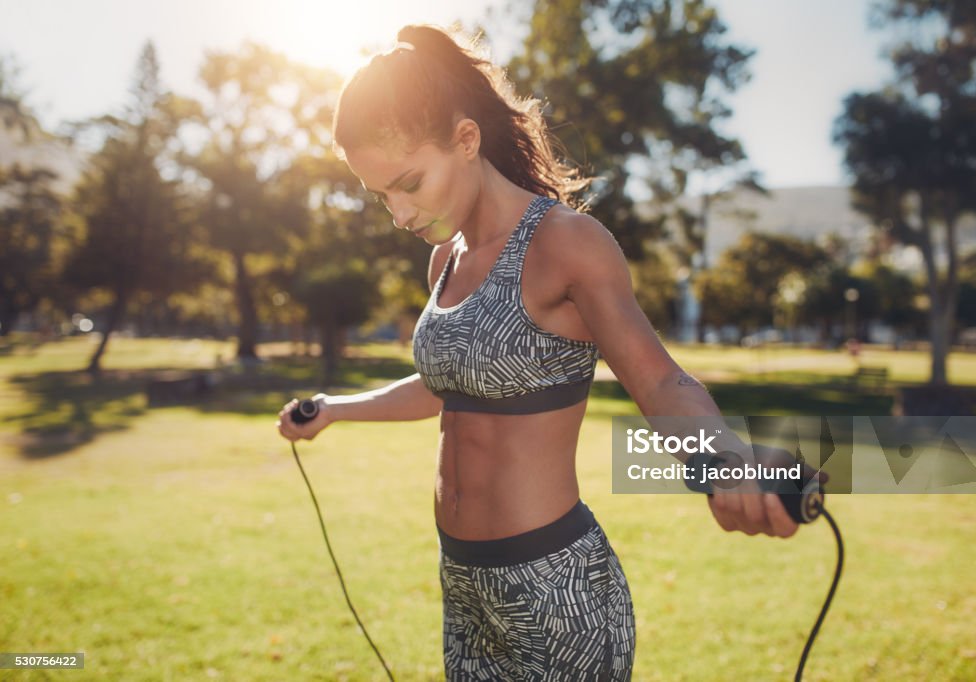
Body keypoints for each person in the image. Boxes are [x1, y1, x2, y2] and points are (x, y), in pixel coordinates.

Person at [277, 24, 801, 680]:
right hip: (465, 587)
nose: (398, 212)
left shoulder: (565, 244)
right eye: (381, 193)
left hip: (559, 593)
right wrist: (334, 409)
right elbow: (446, 384)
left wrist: (723, 462)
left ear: (466, 140)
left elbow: (662, 382)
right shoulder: (445, 258)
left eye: (409, 182)